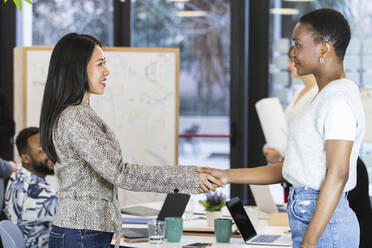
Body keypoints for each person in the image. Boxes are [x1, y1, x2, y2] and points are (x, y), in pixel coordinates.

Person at [200, 8, 364, 248]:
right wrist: (227, 175)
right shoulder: (320, 97)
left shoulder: (338, 100)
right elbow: (290, 169)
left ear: (324, 48)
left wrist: (309, 242)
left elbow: (338, 174)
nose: (292, 53)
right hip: (315, 220)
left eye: (298, 44)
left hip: (325, 228)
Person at [39, 33, 221, 248]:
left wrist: (189, 176)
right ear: (77, 68)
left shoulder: (75, 113)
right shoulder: (76, 117)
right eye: (100, 64)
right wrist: (188, 178)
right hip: (82, 234)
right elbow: (120, 173)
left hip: (84, 232)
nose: (107, 71)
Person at [262, 46, 318, 163]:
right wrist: (275, 148)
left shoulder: (317, 94)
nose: (289, 65)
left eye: (293, 60)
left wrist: (280, 156)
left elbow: (307, 140)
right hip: (289, 164)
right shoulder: (299, 91)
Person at [4, 127, 57, 248]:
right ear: (25, 158)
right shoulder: (49, 197)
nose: (49, 154)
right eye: (41, 150)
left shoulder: (15, 177)